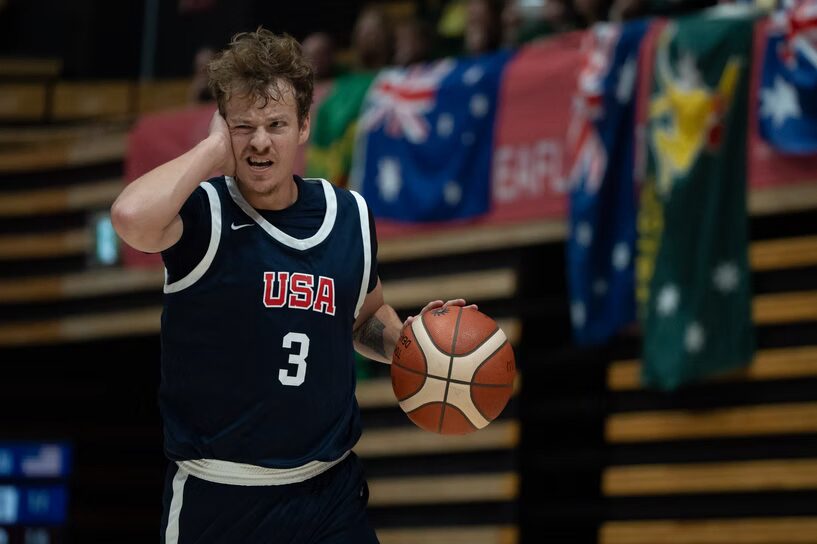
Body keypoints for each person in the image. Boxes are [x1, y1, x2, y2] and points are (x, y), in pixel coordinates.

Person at [110, 28, 473, 543]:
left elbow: (365, 317)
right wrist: (214, 149)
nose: (260, 141)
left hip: (328, 494)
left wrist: (412, 343)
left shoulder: (348, 216)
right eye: (245, 126)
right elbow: (128, 218)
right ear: (224, 128)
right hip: (220, 500)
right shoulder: (203, 214)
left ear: (304, 126)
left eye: (276, 124)